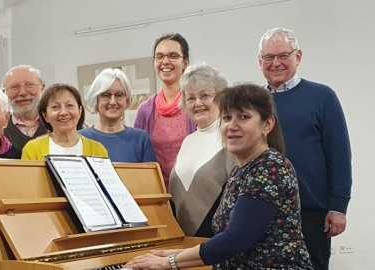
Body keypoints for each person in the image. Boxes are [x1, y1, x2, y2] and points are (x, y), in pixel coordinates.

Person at [125, 84, 313, 269]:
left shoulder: (269, 165)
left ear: (267, 124)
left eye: (244, 117)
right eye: (227, 118)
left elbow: (236, 239)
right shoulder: (239, 171)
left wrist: (170, 262)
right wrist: (175, 253)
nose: (232, 126)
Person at [258, 27, 351, 270]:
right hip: (261, 213)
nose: (276, 63)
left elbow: (339, 155)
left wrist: (338, 207)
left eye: (283, 55)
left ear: (297, 57)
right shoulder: (254, 102)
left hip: (310, 214)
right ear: (260, 62)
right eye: (269, 57)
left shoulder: (322, 97)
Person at [168, 64, 237, 238]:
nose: (197, 103)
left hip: (218, 239)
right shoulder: (187, 141)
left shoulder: (232, 137)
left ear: (221, 97)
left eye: (205, 95)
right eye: (191, 98)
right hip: (183, 241)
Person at [134, 33, 196, 188]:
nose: (165, 61)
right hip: (158, 195)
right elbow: (139, 160)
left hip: (193, 193)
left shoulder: (196, 105)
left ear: (185, 63)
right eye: (159, 56)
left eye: (173, 56)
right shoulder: (145, 111)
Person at [78, 68, 156, 163]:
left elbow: (149, 177)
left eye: (119, 95)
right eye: (106, 95)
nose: (113, 102)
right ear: (96, 99)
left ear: (127, 100)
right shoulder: (80, 138)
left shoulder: (141, 139)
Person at [21, 83, 108, 160]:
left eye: (69, 105)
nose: (63, 112)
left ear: (80, 111)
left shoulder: (97, 149)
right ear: (45, 116)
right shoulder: (32, 150)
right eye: (55, 107)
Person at [2, 65, 49, 148]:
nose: (22, 92)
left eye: (29, 85)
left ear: (42, 87)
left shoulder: (57, 125)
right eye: (14, 87)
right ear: (4, 92)